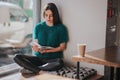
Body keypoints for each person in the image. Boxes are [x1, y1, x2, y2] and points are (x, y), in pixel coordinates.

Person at [14, 3, 68, 74]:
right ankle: (39, 71)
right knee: (17, 57)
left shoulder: (61, 28)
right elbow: (36, 43)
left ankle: (31, 69)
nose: (48, 18)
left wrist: (47, 51)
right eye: (46, 15)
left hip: (53, 60)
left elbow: (62, 47)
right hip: (38, 58)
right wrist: (35, 48)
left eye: (51, 16)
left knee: (60, 63)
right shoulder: (38, 27)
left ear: (55, 15)